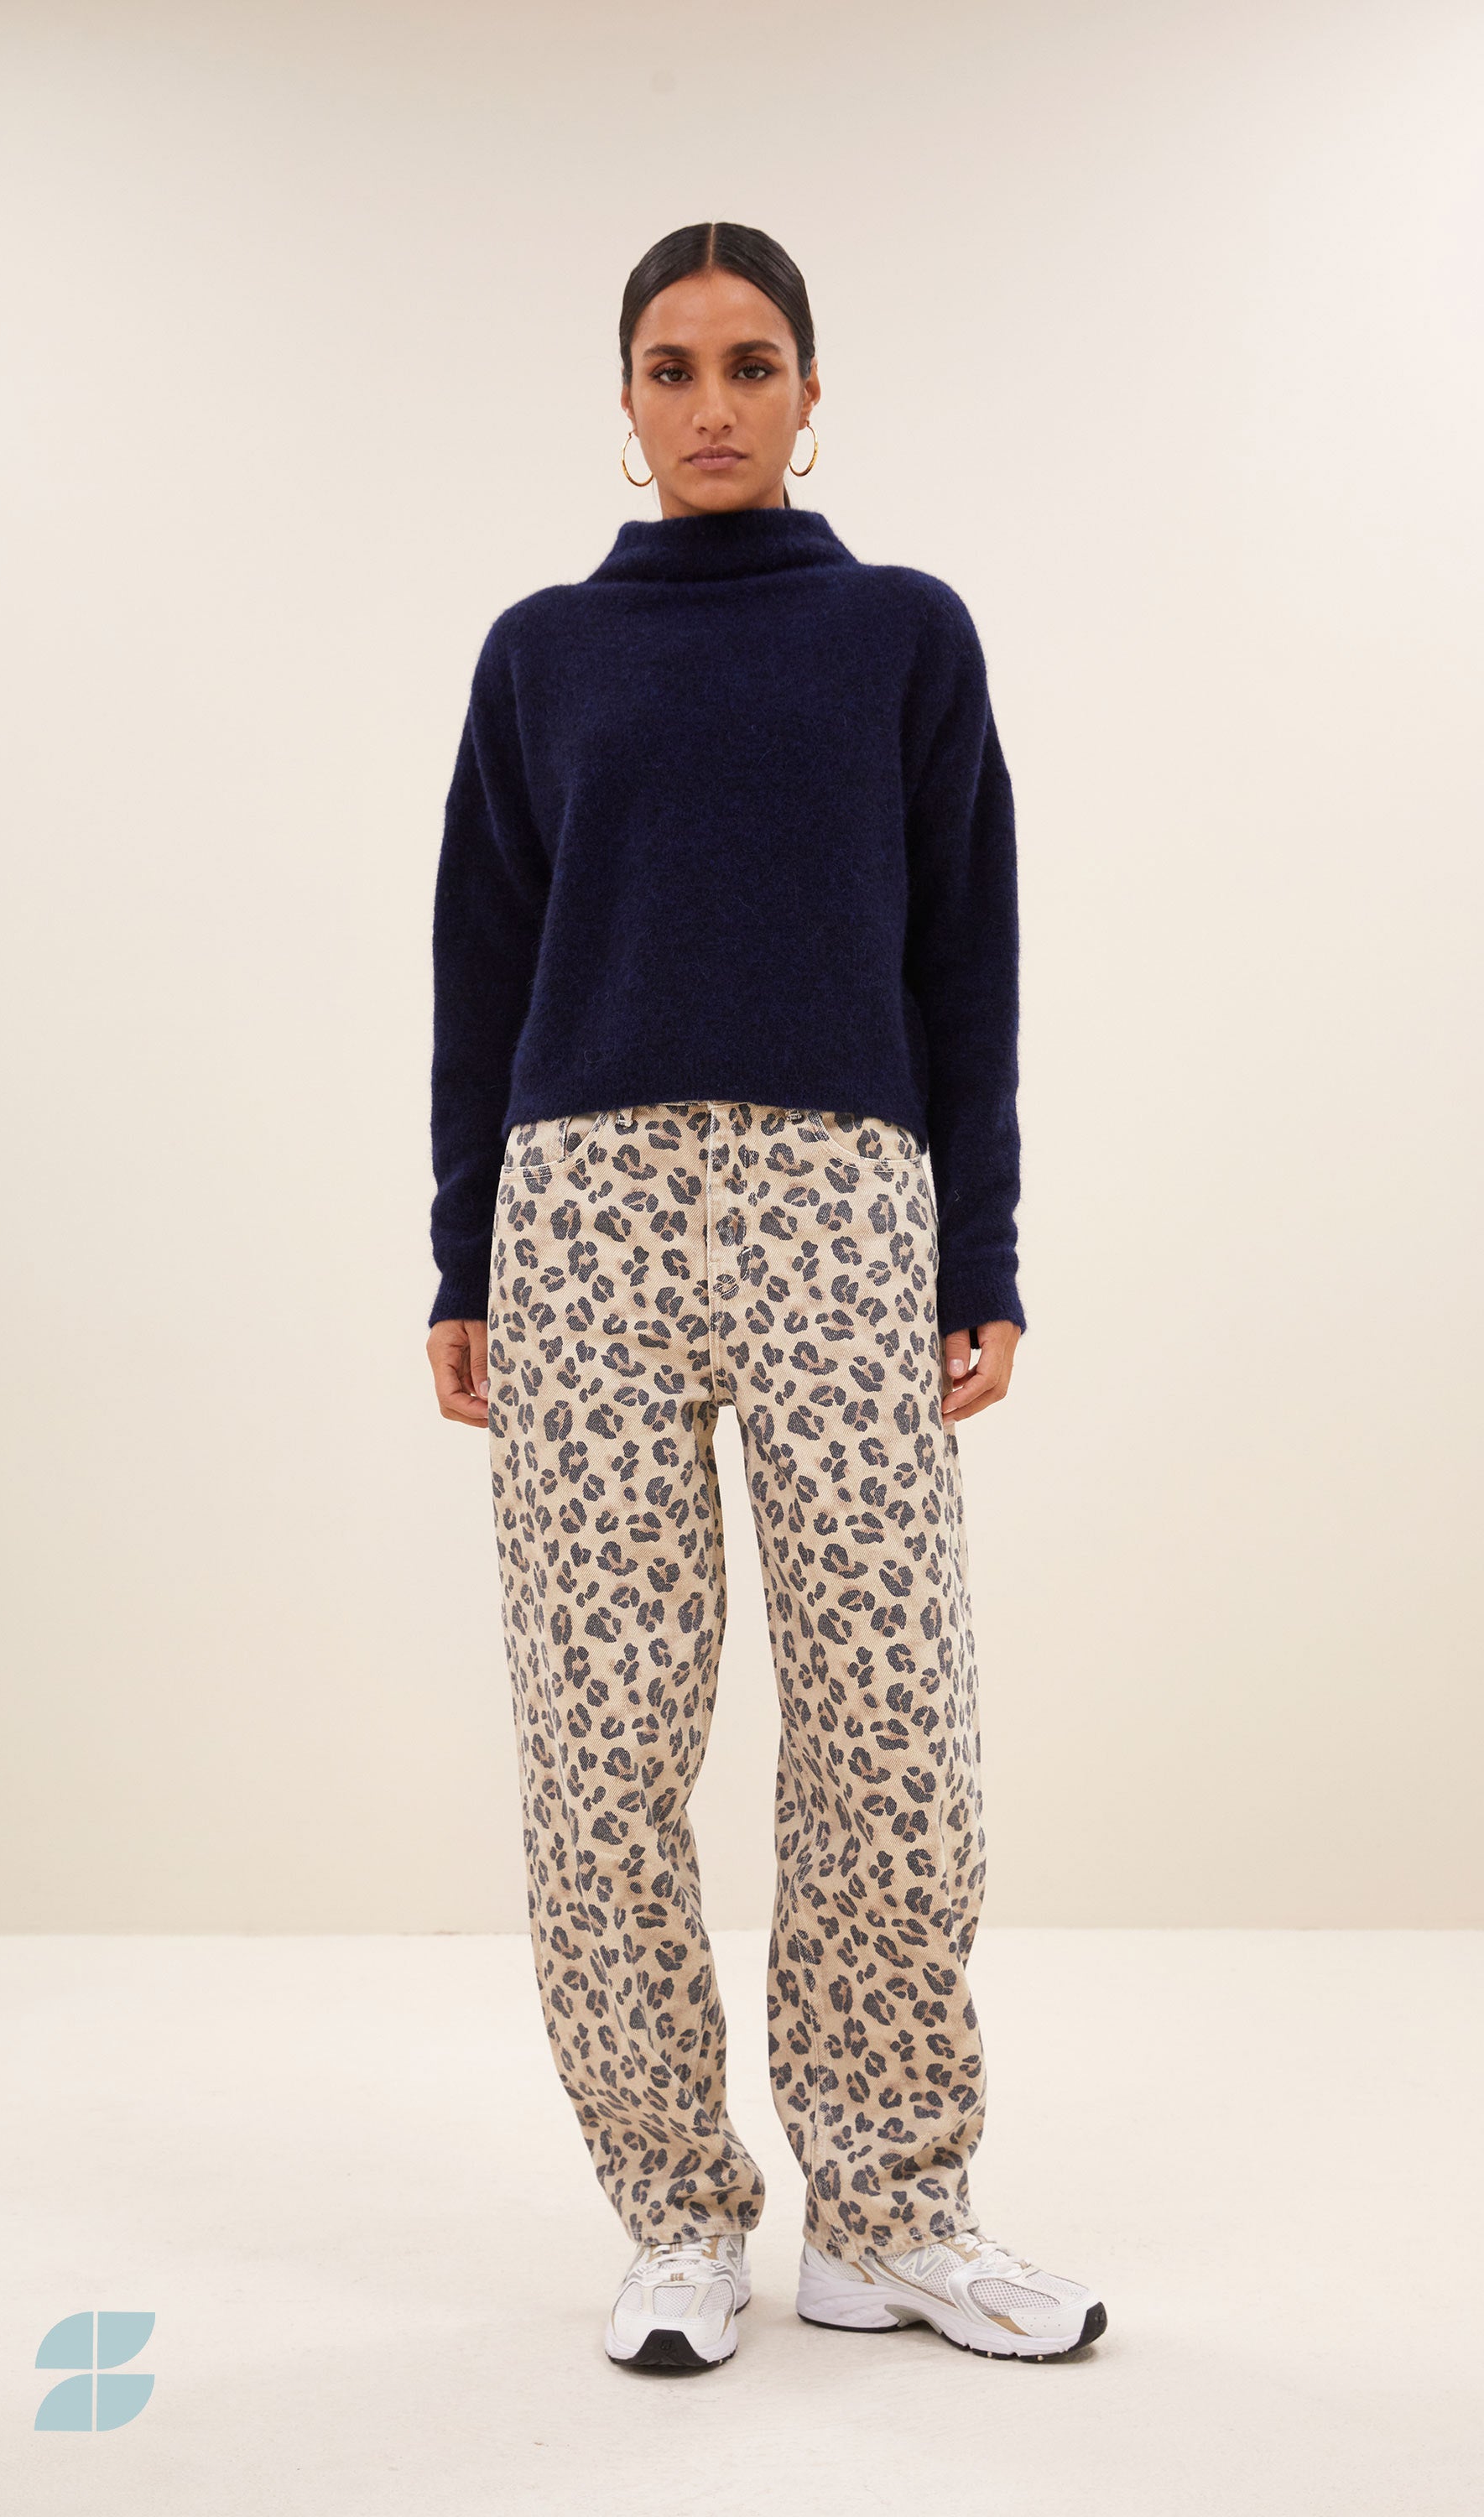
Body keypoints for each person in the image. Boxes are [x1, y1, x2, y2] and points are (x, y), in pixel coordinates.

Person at [424, 221, 1106, 2373]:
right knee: (600, 1741)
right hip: (583, 1219)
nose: (710, 402)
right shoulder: (541, 655)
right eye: (669, 365)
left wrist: (979, 1250)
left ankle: (890, 2213)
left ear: (813, 392)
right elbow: (477, 970)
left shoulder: (903, 633)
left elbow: (967, 956)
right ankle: (675, 2218)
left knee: (892, 1720)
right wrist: (460, 1251)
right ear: (623, 400)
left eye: (749, 362)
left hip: (841, 1203)